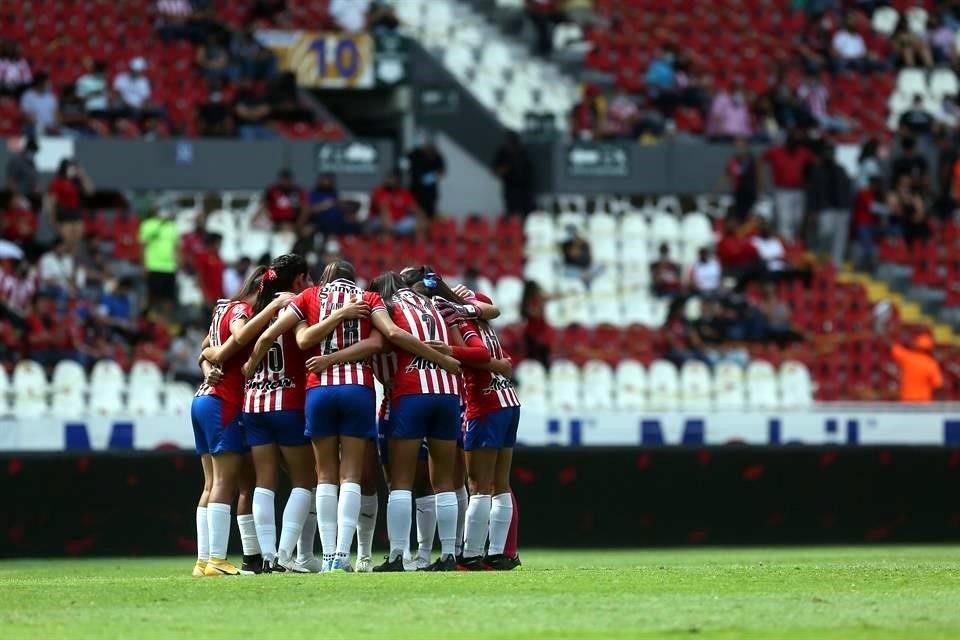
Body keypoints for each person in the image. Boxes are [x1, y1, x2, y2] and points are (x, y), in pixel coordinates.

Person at [203, 255, 319, 573]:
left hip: (253, 404)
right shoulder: (296, 308)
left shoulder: (250, 313)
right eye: (307, 279)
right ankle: (283, 555)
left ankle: (265, 558)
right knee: (304, 480)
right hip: (288, 402)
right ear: (296, 281)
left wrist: (211, 358)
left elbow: (218, 344)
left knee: (263, 483)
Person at [420, 275, 521, 571]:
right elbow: (489, 309)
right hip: (507, 400)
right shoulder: (476, 312)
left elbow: (479, 353)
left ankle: (472, 555)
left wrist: (448, 350)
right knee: (500, 485)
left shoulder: (456, 320)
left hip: (485, 404)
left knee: (478, 486)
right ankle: (500, 554)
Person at [366, 271, 463, 572]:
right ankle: (448, 554)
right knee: (444, 480)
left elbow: (390, 339)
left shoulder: (389, 307)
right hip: (447, 393)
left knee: (401, 481)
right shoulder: (432, 303)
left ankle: (397, 555)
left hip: (411, 392)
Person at [192, 267, 285, 576]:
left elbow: (204, 351)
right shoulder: (242, 310)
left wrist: (209, 367)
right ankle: (216, 560)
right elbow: (242, 335)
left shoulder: (221, 308)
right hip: (223, 401)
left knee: (210, 484)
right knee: (223, 483)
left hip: (203, 397)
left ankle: (203, 560)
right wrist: (272, 308)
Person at [762, 130, 816, 243]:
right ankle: (786, 248)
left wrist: (809, 181)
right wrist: (762, 182)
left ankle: (795, 245)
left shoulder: (803, 152)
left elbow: (814, 164)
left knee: (797, 220)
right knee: (785, 221)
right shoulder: (776, 151)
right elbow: (761, 160)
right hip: (782, 191)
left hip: (799, 191)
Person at [805, 142, 853, 266]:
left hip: (842, 208)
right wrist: (812, 210)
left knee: (840, 239)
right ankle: (821, 259)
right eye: (826, 153)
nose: (829, 155)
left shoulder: (841, 169)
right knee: (825, 232)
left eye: (831, 153)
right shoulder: (817, 171)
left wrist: (848, 208)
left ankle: (836, 265)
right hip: (825, 208)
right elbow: (812, 192)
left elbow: (848, 188)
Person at [46, 159, 93, 251]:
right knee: (66, 241)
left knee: (77, 241)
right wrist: (53, 220)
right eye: (70, 168)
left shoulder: (77, 181)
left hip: (76, 212)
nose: (72, 171)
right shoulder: (57, 183)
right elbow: (51, 203)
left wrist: (83, 176)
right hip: (64, 214)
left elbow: (90, 191)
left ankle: (72, 261)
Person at [139, 209, 180, 310]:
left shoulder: (172, 226)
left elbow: (176, 246)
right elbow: (142, 246)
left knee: (169, 297)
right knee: (154, 296)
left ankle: (165, 323)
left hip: (170, 267)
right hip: (154, 266)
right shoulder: (147, 224)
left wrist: (178, 262)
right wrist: (143, 265)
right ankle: (152, 321)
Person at [369, 170, 425, 237]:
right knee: (385, 220)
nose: (389, 181)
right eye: (389, 178)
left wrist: (422, 217)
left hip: (398, 221)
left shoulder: (403, 193)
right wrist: (389, 222)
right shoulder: (379, 191)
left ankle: (418, 246)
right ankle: (385, 245)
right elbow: (383, 209)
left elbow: (414, 208)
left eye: (392, 179)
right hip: (379, 221)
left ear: (397, 181)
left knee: (418, 221)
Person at [493, 131, 535, 218]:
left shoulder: (523, 152)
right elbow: (495, 170)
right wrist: (506, 168)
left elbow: (530, 170)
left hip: (524, 189)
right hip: (510, 188)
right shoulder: (503, 153)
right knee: (511, 214)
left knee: (526, 213)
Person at [890, 333, 943, 402]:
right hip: (924, 402)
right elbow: (938, 385)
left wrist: (881, 334)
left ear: (917, 346)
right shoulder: (931, 364)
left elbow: (892, 347)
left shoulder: (907, 358)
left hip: (907, 401)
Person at [407, 136, 446, 220]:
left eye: (430, 144)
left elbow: (442, 172)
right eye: (426, 144)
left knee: (430, 213)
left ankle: (429, 230)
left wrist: (428, 179)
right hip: (415, 189)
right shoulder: (415, 153)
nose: (427, 146)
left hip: (430, 191)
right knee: (415, 211)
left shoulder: (436, 155)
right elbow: (404, 163)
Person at [726, 138, 759, 220]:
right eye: (736, 146)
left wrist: (759, 190)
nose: (738, 148)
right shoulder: (733, 160)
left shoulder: (751, 159)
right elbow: (727, 174)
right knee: (739, 214)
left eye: (740, 146)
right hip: (738, 191)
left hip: (750, 191)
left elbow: (758, 175)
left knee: (749, 214)